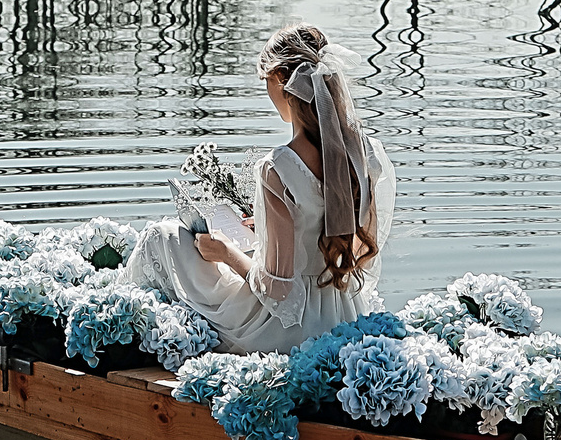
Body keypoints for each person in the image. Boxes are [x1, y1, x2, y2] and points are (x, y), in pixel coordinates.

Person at [124, 22, 394, 354]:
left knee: (161, 236)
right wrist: (266, 230)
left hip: (286, 331)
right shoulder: (363, 153)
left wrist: (225, 253)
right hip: (341, 314)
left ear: (282, 80)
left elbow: (277, 291)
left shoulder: (278, 167)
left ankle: (123, 326)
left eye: (265, 81)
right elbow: (355, 248)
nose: (267, 92)